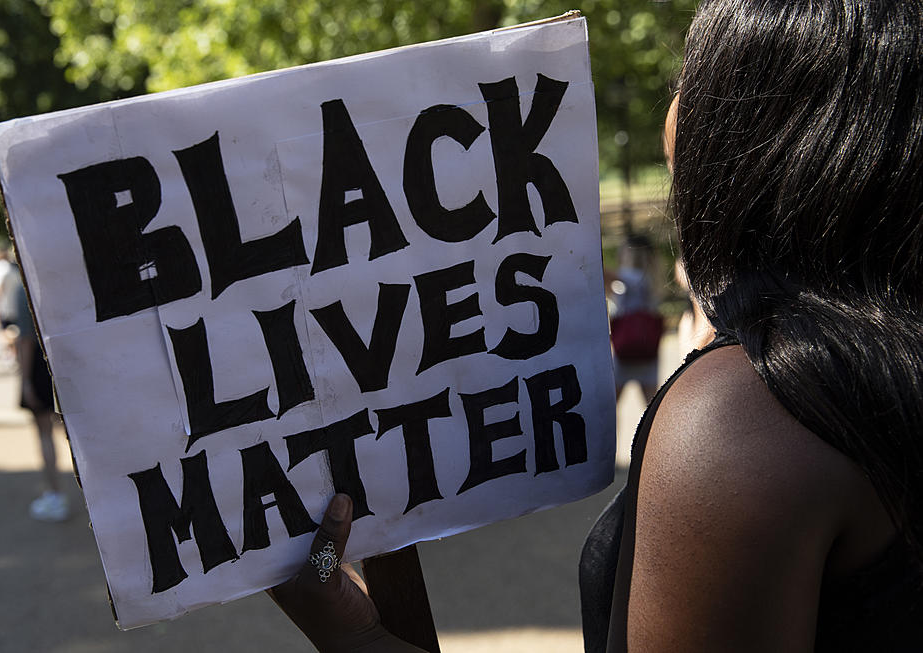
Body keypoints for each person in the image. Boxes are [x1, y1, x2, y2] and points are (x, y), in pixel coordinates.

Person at [269, 1, 923, 650]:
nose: (672, 110)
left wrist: (357, 638)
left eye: (691, 73)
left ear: (752, 126)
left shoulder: (746, 425)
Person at [10, 265, 68, 522]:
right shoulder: (59, 281)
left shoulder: (23, 289)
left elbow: (25, 340)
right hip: (65, 363)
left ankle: (55, 495)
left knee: (44, 433)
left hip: (39, 368)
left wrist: (24, 381)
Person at [605, 233, 664, 404]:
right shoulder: (651, 278)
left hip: (625, 347)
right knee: (652, 406)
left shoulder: (632, 276)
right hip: (647, 348)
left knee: (611, 407)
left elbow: (602, 273)